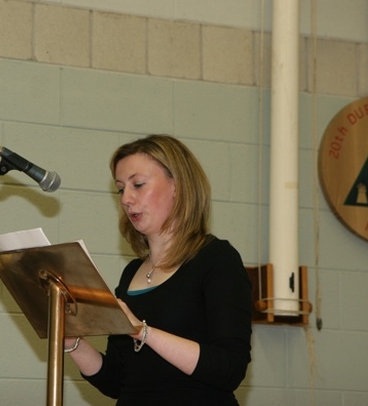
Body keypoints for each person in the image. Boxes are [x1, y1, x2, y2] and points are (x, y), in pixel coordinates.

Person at [64, 134, 252, 405]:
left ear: (177, 185)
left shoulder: (216, 259)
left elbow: (229, 370)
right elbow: (116, 381)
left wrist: (141, 331)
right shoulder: (131, 274)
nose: (126, 199)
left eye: (138, 184)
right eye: (120, 189)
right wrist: (72, 341)